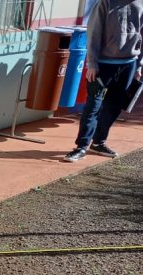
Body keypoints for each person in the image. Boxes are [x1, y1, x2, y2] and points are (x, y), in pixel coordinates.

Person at [64, 0, 143, 162]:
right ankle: (81, 146)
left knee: (114, 106)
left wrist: (139, 66)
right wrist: (92, 64)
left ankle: (99, 142)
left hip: (129, 64)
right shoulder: (105, 3)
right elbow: (93, 33)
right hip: (102, 65)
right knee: (93, 105)